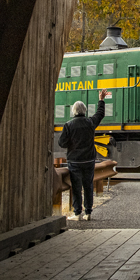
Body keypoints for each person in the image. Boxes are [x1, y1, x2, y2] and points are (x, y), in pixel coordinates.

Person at [58, 91, 108, 221]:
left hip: (74, 161)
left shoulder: (68, 125)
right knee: (88, 186)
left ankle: (77, 213)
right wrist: (101, 100)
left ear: (73, 111)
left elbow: (61, 143)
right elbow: (100, 114)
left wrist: (71, 142)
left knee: (76, 187)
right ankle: (88, 212)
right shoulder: (90, 123)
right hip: (89, 160)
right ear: (85, 110)